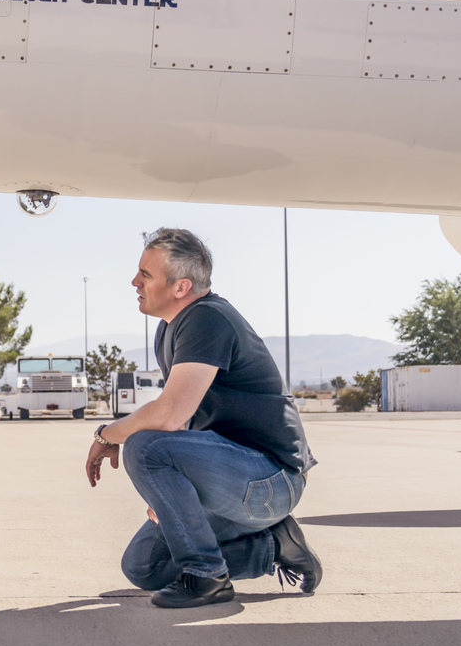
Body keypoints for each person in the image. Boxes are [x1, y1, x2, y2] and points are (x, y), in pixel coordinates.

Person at [84, 228, 324, 608]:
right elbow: (187, 421)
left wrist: (108, 434)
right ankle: (273, 546)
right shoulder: (169, 328)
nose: (135, 281)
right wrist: (168, 495)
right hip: (232, 477)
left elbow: (168, 414)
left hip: (270, 480)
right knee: (144, 566)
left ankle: (206, 577)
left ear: (180, 287)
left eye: (145, 274)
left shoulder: (207, 319)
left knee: (144, 445)